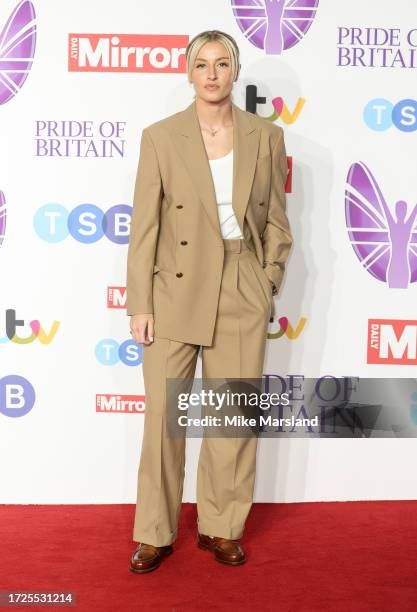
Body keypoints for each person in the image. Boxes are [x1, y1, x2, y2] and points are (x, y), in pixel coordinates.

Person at [126, 29, 292, 573]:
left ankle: (222, 526)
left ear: (236, 70)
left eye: (223, 63)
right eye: (203, 64)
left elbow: (275, 222)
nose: (213, 73)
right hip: (174, 287)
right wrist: (140, 304)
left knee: (233, 415)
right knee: (163, 420)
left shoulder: (265, 136)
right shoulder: (160, 136)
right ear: (189, 72)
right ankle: (154, 531)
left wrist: (266, 279)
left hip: (241, 279)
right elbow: (145, 228)